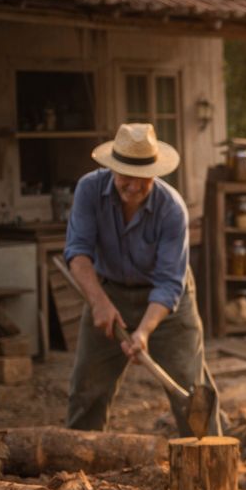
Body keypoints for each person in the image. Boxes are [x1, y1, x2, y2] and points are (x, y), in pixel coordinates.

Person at [64, 123, 220, 436]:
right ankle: (79, 466)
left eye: (142, 178)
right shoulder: (88, 191)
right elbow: (77, 254)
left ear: (155, 172)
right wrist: (99, 304)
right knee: (87, 388)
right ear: (111, 169)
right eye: (125, 176)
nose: (134, 185)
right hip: (107, 292)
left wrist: (144, 331)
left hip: (167, 304)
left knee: (190, 389)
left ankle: (208, 461)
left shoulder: (172, 208)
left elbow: (168, 283)